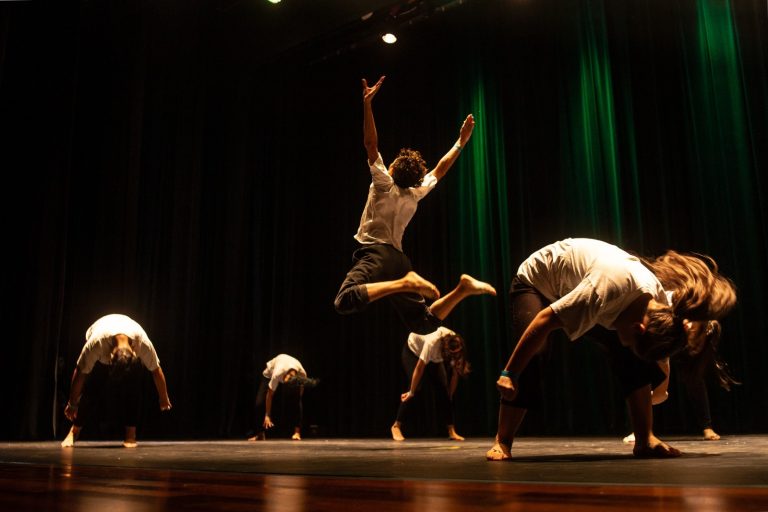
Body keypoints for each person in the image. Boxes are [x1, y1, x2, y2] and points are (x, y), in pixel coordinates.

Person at [486, 238, 720, 461]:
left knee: (632, 359)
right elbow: (543, 321)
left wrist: (659, 386)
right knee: (535, 355)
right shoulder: (600, 293)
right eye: (633, 340)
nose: (627, 343)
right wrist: (509, 374)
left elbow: (655, 355)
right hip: (539, 280)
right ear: (638, 328)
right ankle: (503, 440)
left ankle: (645, 439)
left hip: (587, 284)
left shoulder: (658, 306)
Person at [334, 75, 486, 335]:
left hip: (377, 255)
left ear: (391, 169)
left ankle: (403, 283)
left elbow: (371, 144)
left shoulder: (385, 184)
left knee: (344, 300)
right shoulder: (414, 193)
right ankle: (462, 289)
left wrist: (367, 104)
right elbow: (439, 170)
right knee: (425, 324)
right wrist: (461, 142)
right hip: (398, 258)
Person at [61, 314, 172, 448]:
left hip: (128, 340)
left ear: (135, 353)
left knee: (134, 389)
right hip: (100, 332)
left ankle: (131, 435)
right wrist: (72, 403)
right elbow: (80, 372)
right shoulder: (97, 344)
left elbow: (156, 370)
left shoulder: (142, 343)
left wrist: (163, 397)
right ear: (110, 356)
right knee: (92, 389)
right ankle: (74, 431)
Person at [391, 326, 472, 442]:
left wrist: (449, 395)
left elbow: (455, 374)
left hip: (435, 358)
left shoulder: (456, 342)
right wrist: (411, 392)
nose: (456, 356)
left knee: (444, 391)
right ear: (445, 350)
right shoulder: (432, 343)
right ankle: (396, 426)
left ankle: (451, 430)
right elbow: (419, 368)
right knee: (416, 388)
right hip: (413, 351)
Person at [248, 354, 318, 441]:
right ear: (286, 374)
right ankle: (260, 434)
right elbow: (270, 395)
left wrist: (298, 398)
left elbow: (301, 390)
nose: (284, 382)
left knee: (297, 401)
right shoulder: (278, 373)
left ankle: (297, 432)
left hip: (288, 366)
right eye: (285, 378)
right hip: (269, 373)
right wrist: (267, 415)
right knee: (259, 403)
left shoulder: (302, 374)